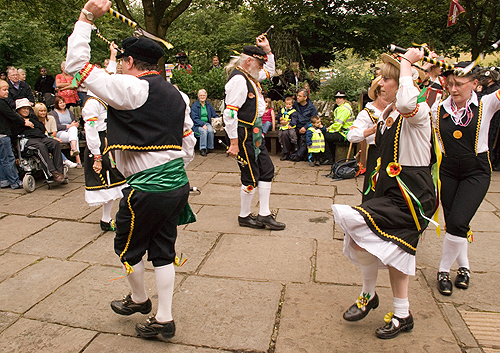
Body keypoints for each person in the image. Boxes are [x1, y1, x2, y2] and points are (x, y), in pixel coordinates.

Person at [65, 0, 196, 341]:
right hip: (176, 183)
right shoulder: (177, 94)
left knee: (127, 247)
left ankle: (139, 299)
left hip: (148, 189)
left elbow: (75, 66)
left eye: (121, 62)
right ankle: (163, 318)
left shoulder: (131, 88)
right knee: (163, 250)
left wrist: (87, 17)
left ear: (129, 62)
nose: (119, 67)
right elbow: (188, 143)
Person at [332, 49, 436, 339]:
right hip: (387, 189)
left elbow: (406, 100)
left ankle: (397, 310)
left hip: (411, 193)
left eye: (387, 79)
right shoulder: (387, 115)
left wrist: (406, 63)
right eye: (380, 78)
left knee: (387, 245)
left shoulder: (418, 111)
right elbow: (356, 135)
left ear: (404, 83)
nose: (380, 84)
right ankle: (396, 310)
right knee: (384, 248)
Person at [432, 62, 500, 297]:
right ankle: (464, 268)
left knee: (460, 220)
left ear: (474, 84)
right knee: (454, 224)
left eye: (459, 84)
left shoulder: (487, 103)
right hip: (448, 169)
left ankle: (443, 270)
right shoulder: (437, 109)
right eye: (450, 84)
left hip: (476, 170)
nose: (453, 89)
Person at [223, 38, 285, 231]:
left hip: (255, 133)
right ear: (249, 61)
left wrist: (267, 50)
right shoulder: (239, 80)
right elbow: (230, 113)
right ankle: (244, 216)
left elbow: (270, 71)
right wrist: (234, 143)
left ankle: (264, 214)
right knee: (250, 176)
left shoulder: (250, 76)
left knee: (267, 170)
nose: (261, 68)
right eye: (259, 62)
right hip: (242, 135)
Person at [82, 42, 127, 232]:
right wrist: (97, 156)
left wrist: (113, 55)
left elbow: (109, 76)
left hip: (109, 142)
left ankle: (107, 219)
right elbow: (90, 131)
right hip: (100, 145)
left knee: (115, 183)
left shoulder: (101, 95)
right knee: (110, 184)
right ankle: (107, 219)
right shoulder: (92, 104)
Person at [346, 77, 390, 201]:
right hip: (376, 155)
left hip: (394, 155)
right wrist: (371, 130)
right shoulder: (367, 113)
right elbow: (351, 135)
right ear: (377, 93)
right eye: (384, 94)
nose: (388, 99)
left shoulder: (393, 109)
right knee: (373, 190)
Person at [14, 98, 66, 183]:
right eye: (23, 108)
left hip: (41, 137)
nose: (26, 110)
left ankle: (59, 172)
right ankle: (52, 173)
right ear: (18, 110)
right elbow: (14, 133)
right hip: (27, 140)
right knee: (40, 146)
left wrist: (31, 121)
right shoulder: (16, 120)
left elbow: (42, 128)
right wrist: (24, 123)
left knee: (55, 143)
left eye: (27, 108)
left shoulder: (32, 117)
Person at [0, 81, 33, 189]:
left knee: (2, 159)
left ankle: (4, 180)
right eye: (4, 90)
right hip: (3, 134)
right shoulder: (2, 103)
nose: (7, 92)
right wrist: (24, 122)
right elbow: (12, 115)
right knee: (8, 159)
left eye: (7, 89)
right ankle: (15, 182)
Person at [33, 102, 78, 169]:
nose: (43, 113)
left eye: (44, 111)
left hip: (50, 139)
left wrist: (51, 136)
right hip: (40, 140)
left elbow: (54, 133)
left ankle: (73, 153)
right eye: (41, 111)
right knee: (51, 144)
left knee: (55, 143)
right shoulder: (34, 121)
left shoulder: (50, 118)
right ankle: (66, 160)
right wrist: (50, 136)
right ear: (36, 112)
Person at [49, 95, 83, 167]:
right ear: (57, 104)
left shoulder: (69, 112)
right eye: (60, 103)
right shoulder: (54, 113)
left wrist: (75, 124)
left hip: (70, 132)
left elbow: (74, 121)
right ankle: (77, 158)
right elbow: (56, 126)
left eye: (63, 102)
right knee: (74, 136)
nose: (62, 104)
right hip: (60, 133)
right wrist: (69, 126)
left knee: (73, 131)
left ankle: (74, 150)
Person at [477, 68, 500, 170]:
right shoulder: (486, 89)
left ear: (490, 79)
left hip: (492, 122)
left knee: (489, 143)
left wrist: (478, 93)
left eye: (484, 78)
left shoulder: (494, 91)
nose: (482, 80)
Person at [323, 90, 354, 163]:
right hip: (344, 132)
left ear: (344, 99)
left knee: (324, 136)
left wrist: (328, 129)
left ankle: (329, 159)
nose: (338, 100)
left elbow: (338, 125)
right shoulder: (342, 107)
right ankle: (331, 157)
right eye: (337, 98)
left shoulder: (344, 109)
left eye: (340, 98)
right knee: (329, 137)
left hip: (345, 134)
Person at [290, 88, 318, 161]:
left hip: (307, 127)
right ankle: (288, 153)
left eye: (300, 96)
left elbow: (314, 120)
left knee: (307, 136)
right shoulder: (295, 105)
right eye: (297, 95)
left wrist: (305, 127)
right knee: (286, 133)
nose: (297, 97)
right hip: (296, 126)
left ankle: (299, 156)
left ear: (305, 97)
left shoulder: (311, 107)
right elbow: (291, 114)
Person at [190, 89, 218, 156]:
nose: (202, 97)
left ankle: (209, 147)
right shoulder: (194, 106)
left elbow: (213, 114)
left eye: (204, 95)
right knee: (204, 131)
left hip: (207, 123)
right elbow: (194, 118)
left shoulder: (208, 105)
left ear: (206, 96)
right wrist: (202, 124)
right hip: (197, 125)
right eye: (201, 95)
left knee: (211, 131)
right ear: (198, 96)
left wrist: (217, 118)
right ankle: (202, 149)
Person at [277, 96, 298, 160]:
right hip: (283, 127)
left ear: (292, 104)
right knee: (282, 134)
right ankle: (285, 153)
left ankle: (292, 150)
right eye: (286, 104)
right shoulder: (282, 110)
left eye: (289, 104)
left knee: (289, 134)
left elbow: (294, 119)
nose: (288, 105)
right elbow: (278, 116)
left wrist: (290, 124)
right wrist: (280, 119)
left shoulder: (293, 111)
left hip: (290, 127)